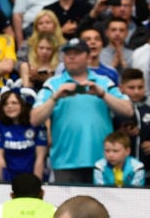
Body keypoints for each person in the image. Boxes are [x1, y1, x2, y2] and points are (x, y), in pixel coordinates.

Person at [31, 37, 134, 184]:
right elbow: (34, 118)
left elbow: (128, 110)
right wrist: (55, 97)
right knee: (68, 207)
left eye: (77, 53)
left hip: (103, 162)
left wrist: (103, 94)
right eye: (68, 54)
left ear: (88, 57)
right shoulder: (53, 84)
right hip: (65, 161)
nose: (71, 57)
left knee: (101, 206)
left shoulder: (104, 82)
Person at [0, 89, 48, 182]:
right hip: (9, 176)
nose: (10, 106)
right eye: (5, 104)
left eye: (14, 103)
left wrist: (36, 185)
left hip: (33, 175)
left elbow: (40, 158)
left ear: (23, 104)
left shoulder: (36, 122)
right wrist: (4, 184)